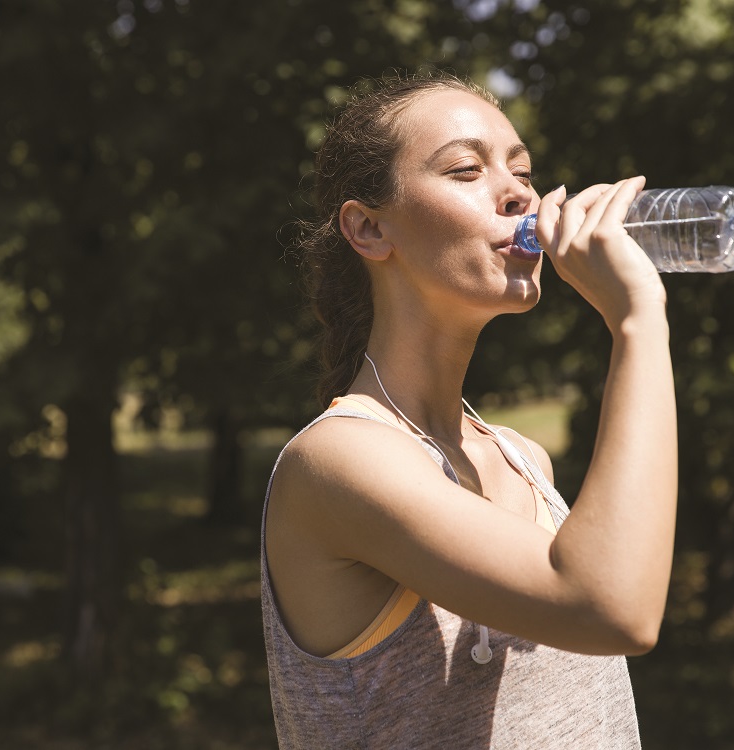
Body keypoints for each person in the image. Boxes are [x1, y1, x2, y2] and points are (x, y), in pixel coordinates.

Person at [260, 72, 677, 749]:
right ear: (368, 228)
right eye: (464, 169)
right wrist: (637, 322)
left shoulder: (522, 460)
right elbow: (611, 608)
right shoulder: (338, 462)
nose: (519, 193)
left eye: (522, 170)